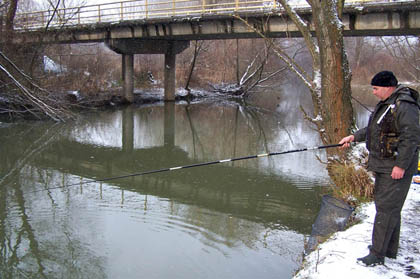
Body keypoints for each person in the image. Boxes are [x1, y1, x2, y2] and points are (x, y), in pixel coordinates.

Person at [339, 71, 420, 266]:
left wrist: (401, 165)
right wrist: (354, 137)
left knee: (386, 209)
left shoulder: (404, 105)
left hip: (395, 166)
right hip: (385, 164)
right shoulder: (389, 103)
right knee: (389, 208)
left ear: (388, 87)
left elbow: (411, 138)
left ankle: (377, 254)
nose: (374, 92)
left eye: (376, 88)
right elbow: (376, 129)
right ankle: (388, 249)